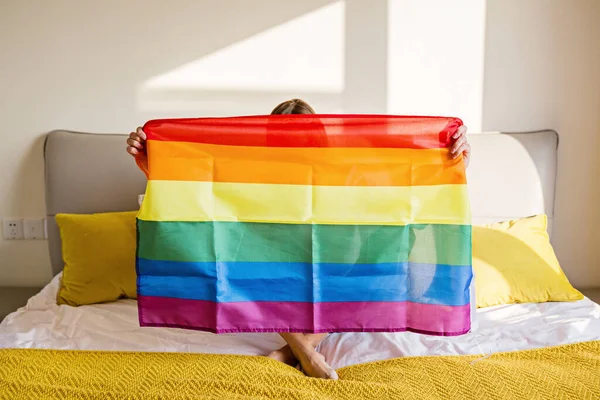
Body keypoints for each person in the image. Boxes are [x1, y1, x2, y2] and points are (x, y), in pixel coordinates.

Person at [125, 99, 471, 380]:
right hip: (268, 276)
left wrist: (447, 164)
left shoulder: (343, 172)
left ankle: (290, 350)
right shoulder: (250, 174)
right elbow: (197, 191)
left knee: (391, 261)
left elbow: (399, 199)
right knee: (236, 267)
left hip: (337, 278)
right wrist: (151, 159)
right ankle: (305, 351)